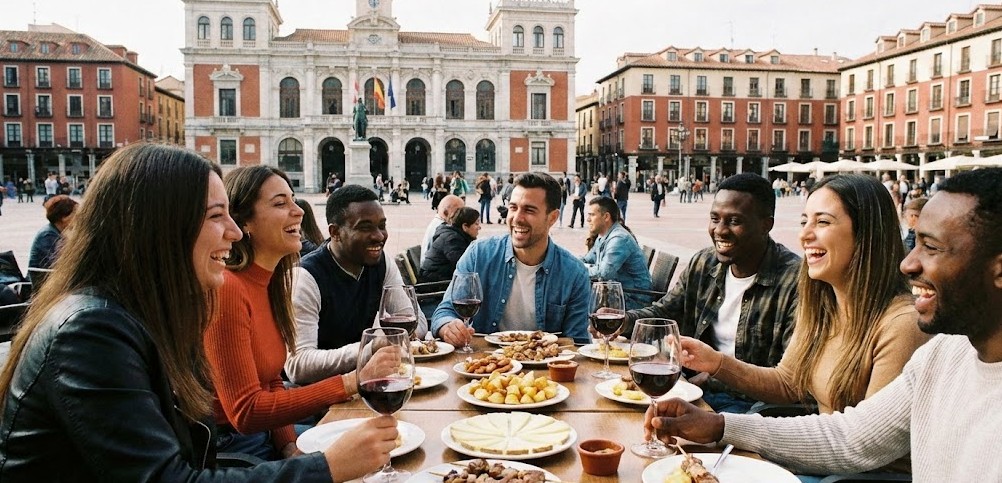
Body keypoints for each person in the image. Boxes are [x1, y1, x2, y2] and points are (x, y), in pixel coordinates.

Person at [0, 143, 397, 481]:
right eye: (214, 216)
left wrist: (295, 449)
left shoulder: (143, 313)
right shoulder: (90, 332)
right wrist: (325, 466)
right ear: (160, 227)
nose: (235, 232)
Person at [644, 168, 1002, 482]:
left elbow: (866, 453)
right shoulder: (944, 352)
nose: (908, 264)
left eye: (932, 247)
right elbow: (852, 435)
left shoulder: (909, 327)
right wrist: (719, 423)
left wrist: (723, 420)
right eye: (804, 221)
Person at [680, 174, 929, 424]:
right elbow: (787, 382)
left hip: (847, 461)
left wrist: (725, 428)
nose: (805, 235)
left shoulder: (902, 326)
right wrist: (714, 361)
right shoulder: (824, 304)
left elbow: (865, 443)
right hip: (816, 454)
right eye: (803, 221)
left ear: (868, 234)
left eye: (822, 222)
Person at [205, 166, 362, 461]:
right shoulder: (227, 288)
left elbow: (272, 380)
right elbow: (246, 411)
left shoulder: (272, 280)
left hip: (265, 436)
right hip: (234, 448)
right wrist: (350, 382)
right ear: (244, 223)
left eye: (292, 199)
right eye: (280, 203)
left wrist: (289, 445)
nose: (298, 211)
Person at [626, 173, 801, 413]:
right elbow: (666, 310)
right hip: (693, 389)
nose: (720, 230)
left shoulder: (795, 281)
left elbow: (788, 380)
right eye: (715, 218)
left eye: (734, 221)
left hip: (751, 407)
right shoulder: (705, 262)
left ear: (765, 225)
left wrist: (711, 377)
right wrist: (623, 320)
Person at [285, 185, 426, 385]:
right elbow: (298, 366)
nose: (379, 236)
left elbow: (415, 321)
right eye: (365, 227)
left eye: (382, 225)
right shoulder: (305, 277)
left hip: (368, 383)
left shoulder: (381, 262)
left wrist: (388, 340)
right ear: (335, 232)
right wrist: (368, 347)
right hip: (321, 398)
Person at [432, 172, 592, 345]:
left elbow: (578, 343)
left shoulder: (574, 274)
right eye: (513, 208)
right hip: (484, 365)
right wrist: (448, 326)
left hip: (544, 368)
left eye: (529, 210)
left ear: (552, 217)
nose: (517, 218)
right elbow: (445, 311)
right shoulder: (479, 254)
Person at [580, 196, 653, 310]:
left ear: (606, 217)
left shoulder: (619, 239)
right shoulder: (603, 236)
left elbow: (603, 273)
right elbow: (587, 259)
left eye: (592, 215)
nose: (588, 219)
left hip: (633, 300)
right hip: (617, 294)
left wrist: (576, 270)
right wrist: (569, 264)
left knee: (574, 301)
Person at [419, 206, 481, 283]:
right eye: (476, 223)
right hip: (434, 283)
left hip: (439, 277)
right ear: (465, 226)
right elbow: (465, 265)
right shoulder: (452, 240)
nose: (479, 227)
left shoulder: (456, 235)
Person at [27, 195, 79, 283]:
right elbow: (63, 264)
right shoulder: (47, 235)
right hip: (45, 285)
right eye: (75, 214)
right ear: (63, 217)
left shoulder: (60, 232)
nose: (79, 218)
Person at [421, 194, 464, 264]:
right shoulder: (443, 229)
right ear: (446, 212)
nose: (462, 216)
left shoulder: (437, 222)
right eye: (459, 212)